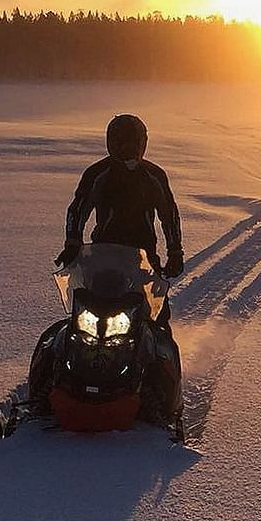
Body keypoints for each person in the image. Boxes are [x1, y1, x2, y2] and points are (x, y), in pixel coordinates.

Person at [56, 113, 185, 423]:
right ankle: (62, 377)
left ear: (142, 144)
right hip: (101, 255)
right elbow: (77, 208)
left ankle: (164, 391)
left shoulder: (153, 176)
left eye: (132, 141)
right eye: (120, 141)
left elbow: (169, 215)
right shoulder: (97, 174)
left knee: (155, 324)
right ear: (109, 142)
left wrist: (175, 251)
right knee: (82, 318)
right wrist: (73, 243)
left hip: (142, 259)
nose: (126, 148)